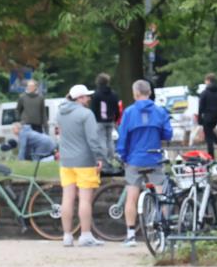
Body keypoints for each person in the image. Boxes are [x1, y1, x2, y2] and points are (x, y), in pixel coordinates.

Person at [115, 80, 174, 247]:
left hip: (134, 159)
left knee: (131, 197)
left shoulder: (129, 112)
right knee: (162, 195)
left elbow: (123, 138)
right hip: (154, 158)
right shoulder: (160, 111)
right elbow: (168, 135)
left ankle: (131, 234)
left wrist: (123, 156)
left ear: (135, 93)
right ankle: (164, 233)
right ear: (150, 92)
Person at [56, 84, 107, 247]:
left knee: (67, 198)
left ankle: (67, 236)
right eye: (86, 96)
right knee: (85, 199)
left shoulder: (59, 113)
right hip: (84, 161)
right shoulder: (86, 114)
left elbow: (60, 135)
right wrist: (99, 156)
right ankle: (85, 235)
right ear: (79, 98)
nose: (89, 98)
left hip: (66, 161)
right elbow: (93, 139)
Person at [197, 73, 217, 160]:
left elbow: (201, 107)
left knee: (208, 137)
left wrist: (199, 118)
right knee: (209, 130)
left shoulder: (205, 93)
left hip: (208, 117)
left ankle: (211, 157)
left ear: (208, 81)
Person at [90, 73, 119, 158]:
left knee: (101, 140)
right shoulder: (113, 94)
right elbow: (116, 108)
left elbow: (93, 109)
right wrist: (115, 118)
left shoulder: (96, 94)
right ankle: (111, 156)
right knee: (110, 140)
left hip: (99, 120)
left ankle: (104, 157)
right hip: (110, 120)